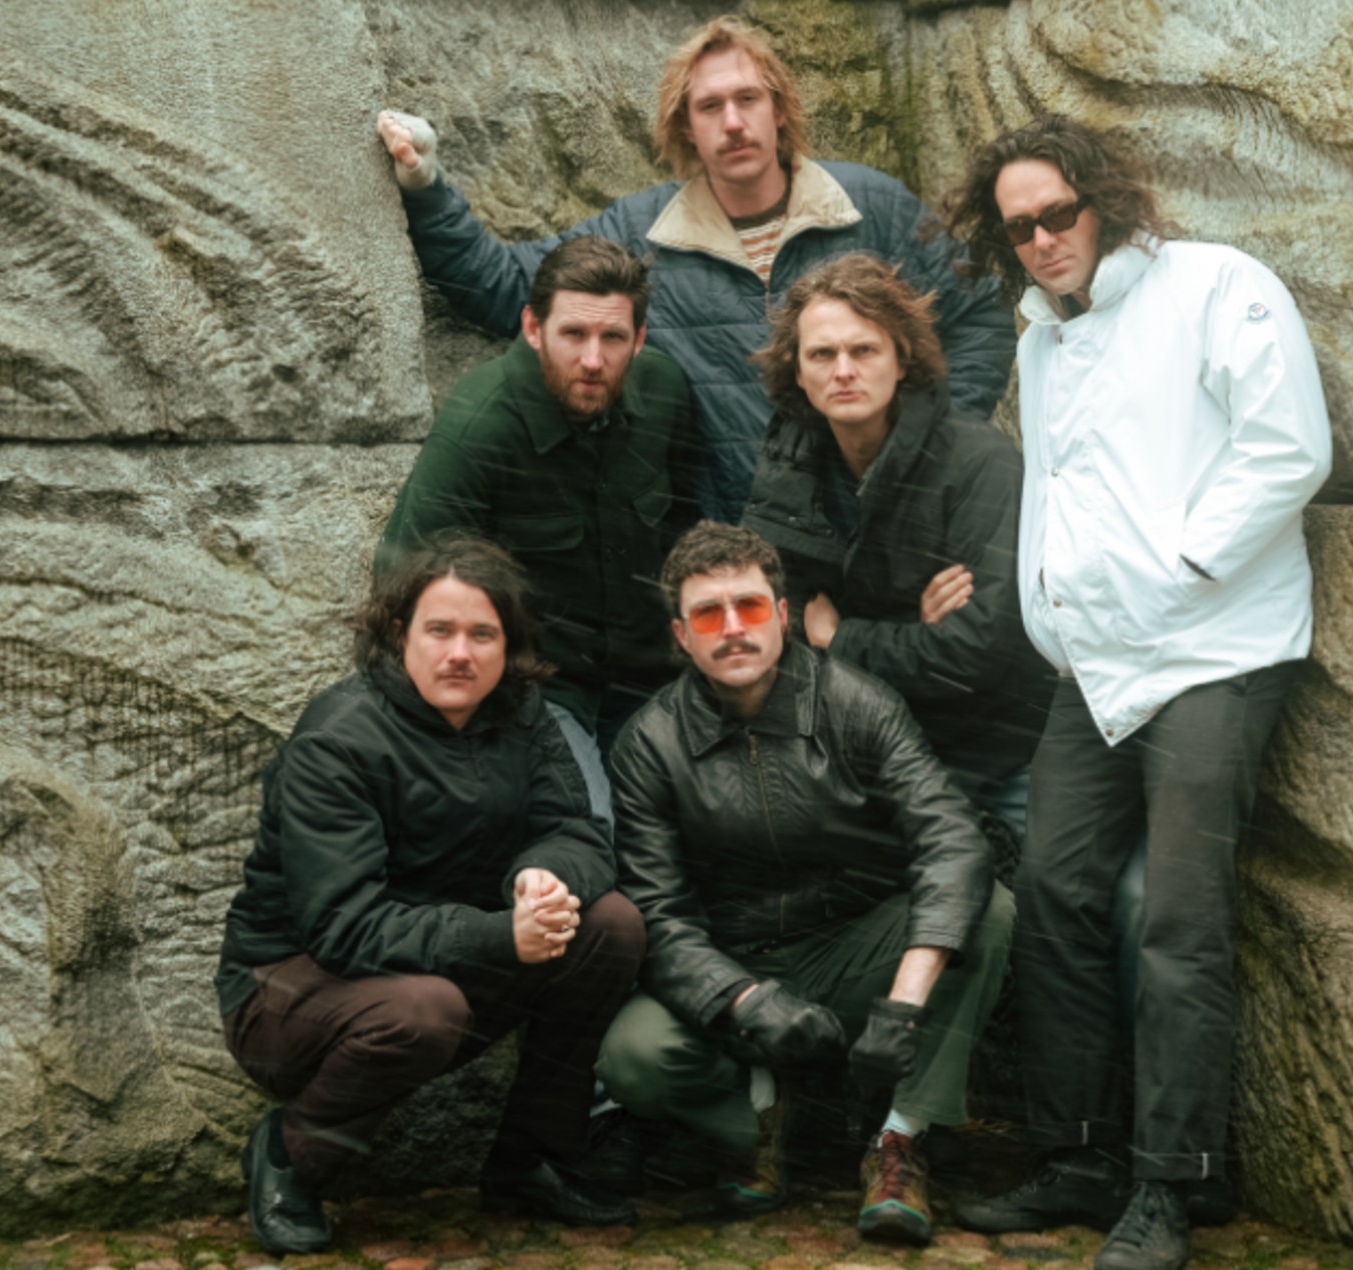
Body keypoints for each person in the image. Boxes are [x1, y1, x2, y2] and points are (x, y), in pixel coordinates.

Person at [941, 116, 1333, 1270]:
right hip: (1095, 667)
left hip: (1215, 651)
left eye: (1056, 213)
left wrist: (1181, 567)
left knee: (1175, 915)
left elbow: (1286, 447)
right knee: (1053, 888)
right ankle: (1073, 1154)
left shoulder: (1214, 286)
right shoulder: (1039, 337)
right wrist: (1050, 609)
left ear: (1102, 198)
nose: (1040, 239)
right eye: (1017, 227)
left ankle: (1174, 1181)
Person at [375, 14, 1014, 523]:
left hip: (891, 531)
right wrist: (425, 185)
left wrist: (927, 445)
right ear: (685, 126)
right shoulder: (643, 234)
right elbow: (506, 286)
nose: (732, 123)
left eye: (748, 99)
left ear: (779, 109)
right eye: (710, 107)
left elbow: (981, 312)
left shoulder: (872, 206)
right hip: (740, 561)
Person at [215, 537, 646, 1253]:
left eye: (483, 634)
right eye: (439, 630)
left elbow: (575, 830)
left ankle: (529, 1158)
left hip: (443, 963)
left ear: (508, 645)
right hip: (286, 991)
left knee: (610, 925)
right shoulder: (337, 739)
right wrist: (500, 936)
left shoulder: (523, 713)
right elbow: (343, 927)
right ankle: (292, 1155)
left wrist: (541, 877)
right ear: (398, 634)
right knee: (425, 1011)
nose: (460, 654)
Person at [596, 522, 1014, 1245]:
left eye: (750, 606)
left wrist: (903, 1006)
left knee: (989, 910)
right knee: (634, 1057)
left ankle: (900, 1136)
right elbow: (657, 912)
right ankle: (760, 1115)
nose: (733, 628)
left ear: (783, 616)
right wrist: (743, 999)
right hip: (732, 962)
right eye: (708, 614)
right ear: (681, 636)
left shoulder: (857, 702)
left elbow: (951, 837)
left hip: (856, 947)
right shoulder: (649, 743)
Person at [375, 237, 698, 809]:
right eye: (573, 334)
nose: (593, 360)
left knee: (703, 827)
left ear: (639, 339)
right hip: (541, 692)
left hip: (651, 681)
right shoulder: (481, 424)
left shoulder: (663, 390)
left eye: (613, 338)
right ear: (533, 328)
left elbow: (690, 536)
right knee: (590, 831)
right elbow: (403, 583)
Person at [739, 253, 1054, 833]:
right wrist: (913, 625)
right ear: (797, 371)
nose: (843, 370)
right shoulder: (789, 466)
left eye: (864, 350)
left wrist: (842, 637)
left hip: (999, 745)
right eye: (822, 354)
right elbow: (773, 633)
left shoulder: (980, 462)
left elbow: (978, 650)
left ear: (902, 360)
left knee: (1069, 883)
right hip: (864, 748)